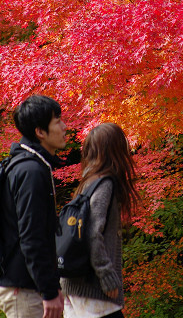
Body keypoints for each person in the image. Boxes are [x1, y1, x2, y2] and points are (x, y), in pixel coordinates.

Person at [0, 95, 68, 318]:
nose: (65, 127)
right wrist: (48, 291)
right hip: (24, 290)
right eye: (58, 121)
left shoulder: (29, 165)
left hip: (26, 286)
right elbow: (32, 236)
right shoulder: (31, 172)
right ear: (40, 132)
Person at [61, 122, 140, 318]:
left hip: (73, 284)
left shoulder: (87, 183)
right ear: (116, 149)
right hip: (92, 288)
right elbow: (92, 232)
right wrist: (107, 276)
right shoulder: (104, 184)